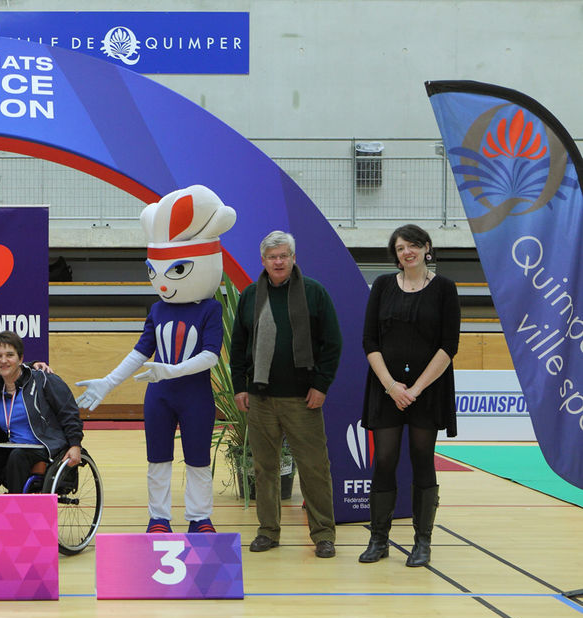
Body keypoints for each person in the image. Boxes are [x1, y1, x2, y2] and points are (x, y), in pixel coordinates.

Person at [76, 185, 234, 534]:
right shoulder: (157, 309)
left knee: (198, 460)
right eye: (153, 270)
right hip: (159, 397)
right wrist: (108, 381)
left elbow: (210, 355)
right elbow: (139, 352)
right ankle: (159, 517)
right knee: (157, 460)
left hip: (195, 395)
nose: (161, 282)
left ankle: (199, 517)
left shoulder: (210, 308)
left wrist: (171, 370)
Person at [230, 230, 342, 558]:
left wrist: (321, 385)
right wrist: (239, 386)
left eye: (284, 256)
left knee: (314, 467)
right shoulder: (251, 295)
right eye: (272, 257)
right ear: (263, 261)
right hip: (260, 399)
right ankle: (267, 531)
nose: (278, 262)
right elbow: (238, 345)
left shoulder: (314, 293)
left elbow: (332, 344)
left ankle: (323, 534)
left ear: (293, 258)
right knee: (264, 469)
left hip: (302, 399)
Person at [359, 224, 459, 567]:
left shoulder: (445, 288)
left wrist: (415, 389)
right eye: (401, 248)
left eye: (414, 245)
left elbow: (449, 346)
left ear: (426, 248)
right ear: (396, 254)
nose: (408, 252)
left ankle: (422, 542)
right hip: (386, 389)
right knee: (384, 460)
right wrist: (391, 386)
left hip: (426, 393)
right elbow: (370, 342)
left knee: (421, 458)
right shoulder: (383, 285)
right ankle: (379, 539)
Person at [0, 331, 83, 494]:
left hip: (45, 448)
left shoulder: (44, 380)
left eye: (9, 355)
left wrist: (75, 444)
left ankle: (16, 511)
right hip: (13, 448)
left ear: (20, 359)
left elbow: (69, 412)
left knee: (18, 455)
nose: (3, 360)